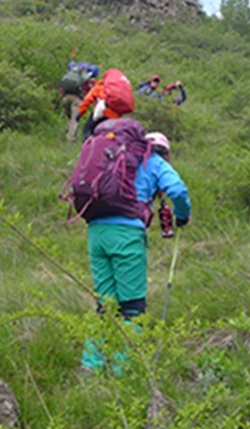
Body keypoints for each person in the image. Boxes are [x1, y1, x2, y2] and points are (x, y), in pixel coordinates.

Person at [80, 128, 191, 373]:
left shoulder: (112, 157)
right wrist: (182, 216)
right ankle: (123, 370)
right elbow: (178, 191)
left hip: (96, 232)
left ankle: (92, 365)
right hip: (126, 235)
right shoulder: (154, 161)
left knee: (105, 304)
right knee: (132, 306)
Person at [59, 61, 97, 142]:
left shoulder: (70, 74)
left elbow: (61, 87)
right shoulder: (88, 80)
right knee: (74, 119)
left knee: (70, 117)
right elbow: (94, 92)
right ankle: (70, 139)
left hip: (65, 98)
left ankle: (70, 133)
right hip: (77, 100)